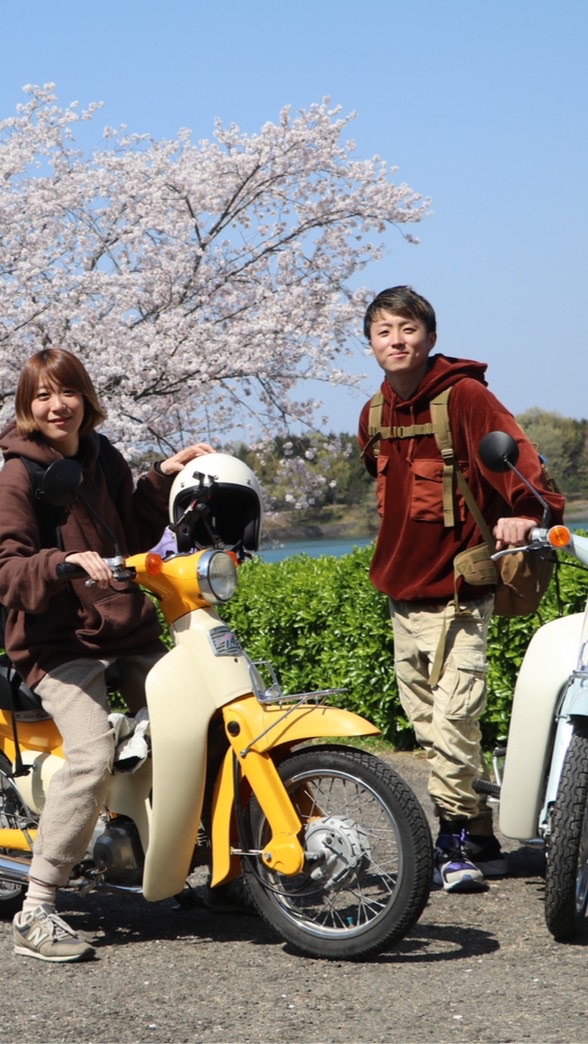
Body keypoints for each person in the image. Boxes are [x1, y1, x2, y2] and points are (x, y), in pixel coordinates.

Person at [0, 348, 214, 961]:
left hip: (124, 628)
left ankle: (232, 870)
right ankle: (38, 907)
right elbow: (7, 568)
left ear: (85, 398)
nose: (55, 405)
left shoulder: (103, 457)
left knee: (204, 724)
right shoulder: (18, 475)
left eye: (65, 392)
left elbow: (133, 530)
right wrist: (60, 565)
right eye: (41, 396)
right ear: (27, 406)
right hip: (54, 642)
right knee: (91, 754)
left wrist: (160, 479)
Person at [357, 286, 565, 893]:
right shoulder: (373, 414)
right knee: (431, 729)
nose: (396, 341)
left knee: (454, 722)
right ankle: (480, 838)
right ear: (369, 344)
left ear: (430, 336)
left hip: (458, 594)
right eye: (382, 331)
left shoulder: (465, 398)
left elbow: (525, 469)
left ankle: (450, 845)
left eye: (408, 329)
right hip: (402, 594)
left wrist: (526, 512)